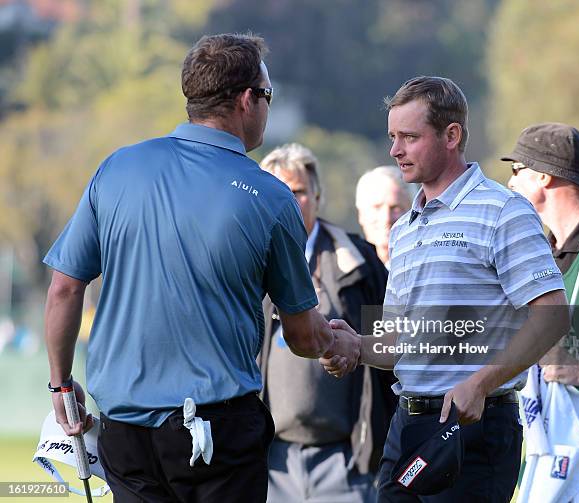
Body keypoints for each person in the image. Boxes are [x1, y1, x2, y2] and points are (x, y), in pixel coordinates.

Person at [43, 33, 359, 503]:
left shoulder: (118, 168)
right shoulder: (272, 197)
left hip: (124, 434)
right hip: (218, 437)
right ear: (248, 100)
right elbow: (303, 336)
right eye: (267, 96)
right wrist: (342, 342)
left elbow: (64, 290)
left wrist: (61, 384)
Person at [321, 76, 570, 503]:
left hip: (476, 430)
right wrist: (357, 345)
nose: (395, 150)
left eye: (410, 137)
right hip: (407, 427)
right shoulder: (404, 229)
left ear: (451, 135)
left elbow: (554, 315)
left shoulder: (503, 211)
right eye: (393, 137)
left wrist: (482, 383)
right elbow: (400, 340)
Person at [259, 143, 397, 503]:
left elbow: (395, 348)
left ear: (317, 197)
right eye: (280, 192)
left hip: (349, 459)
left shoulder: (360, 263)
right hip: (271, 461)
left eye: (299, 192)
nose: (290, 201)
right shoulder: (247, 263)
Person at [505, 122, 579, 502]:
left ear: (544, 176)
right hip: (555, 466)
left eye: (517, 171)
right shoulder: (542, 254)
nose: (510, 183)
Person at [355, 166, 415, 267]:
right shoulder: (348, 269)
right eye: (377, 207)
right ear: (361, 214)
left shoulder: (425, 268)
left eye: (396, 208)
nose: (386, 218)